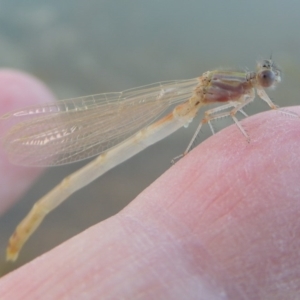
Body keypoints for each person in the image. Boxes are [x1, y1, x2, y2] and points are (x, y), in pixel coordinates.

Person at [0, 70, 299, 299]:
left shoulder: (241, 90)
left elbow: (217, 114)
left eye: (267, 76)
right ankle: (28, 227)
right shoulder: (233, 89)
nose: (268, 79)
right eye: (266, 77)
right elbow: (211, 116)